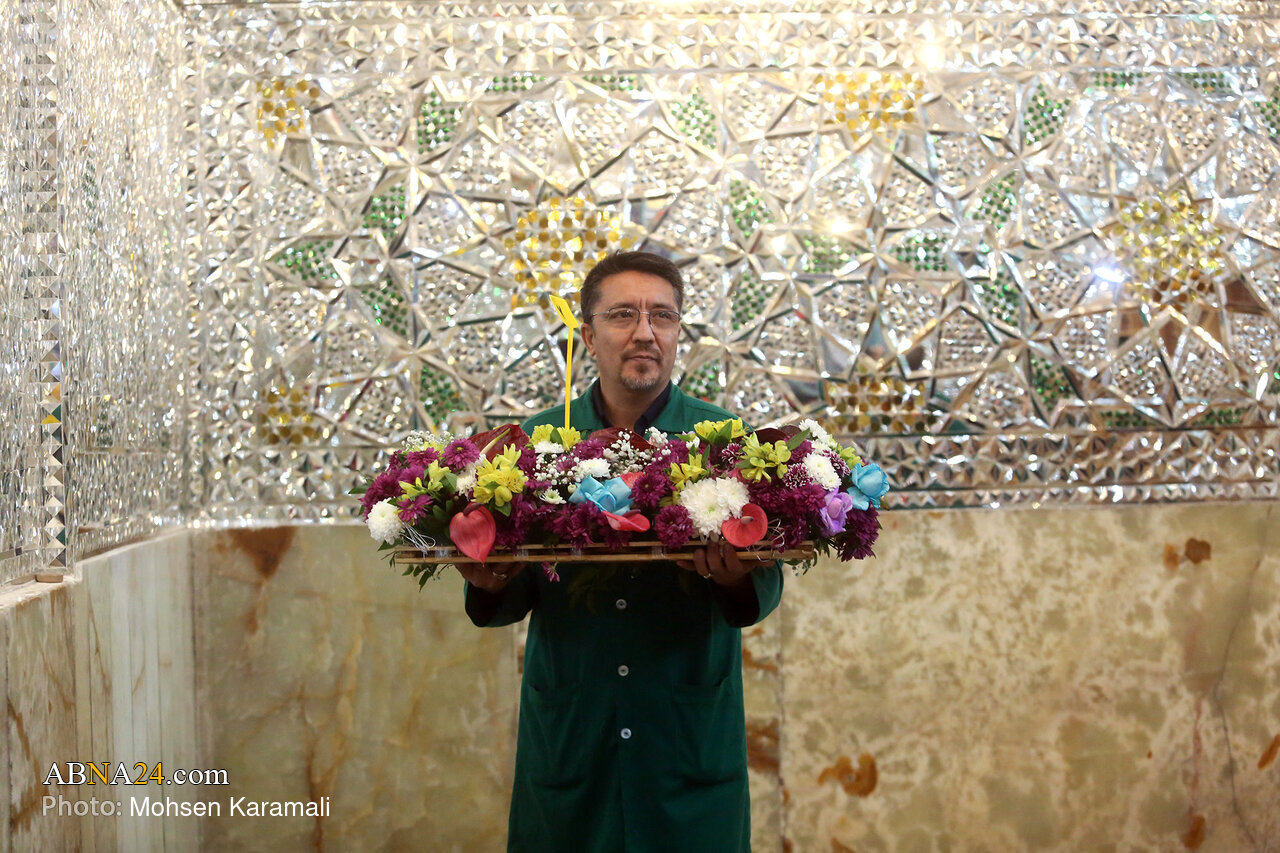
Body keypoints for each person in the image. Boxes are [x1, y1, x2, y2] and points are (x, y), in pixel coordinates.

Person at [458, 250, 783, 852]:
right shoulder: (532, 445)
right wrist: (490, 579)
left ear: (678, 332)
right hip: (575, 739)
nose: (645, 332)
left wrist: (736, 577)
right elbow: (509, 588)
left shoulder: (726, 442)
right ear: (587, 335)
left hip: (683, 741)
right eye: (622, 315)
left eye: (662, 316)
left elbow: (764, 585)